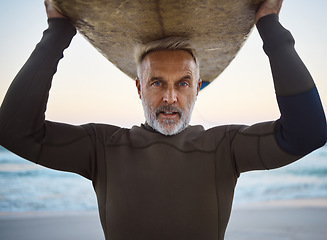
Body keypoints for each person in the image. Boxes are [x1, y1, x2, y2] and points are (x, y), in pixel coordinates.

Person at [0, 0, 326, 239]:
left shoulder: (225, 148)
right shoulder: (101, 148)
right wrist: (57, 33)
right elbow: (15, 132)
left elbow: (307, 132)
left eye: (182, 83)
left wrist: (269, 25)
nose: (170, 97)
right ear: (139, 88)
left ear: (197, 88)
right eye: (157, 82)